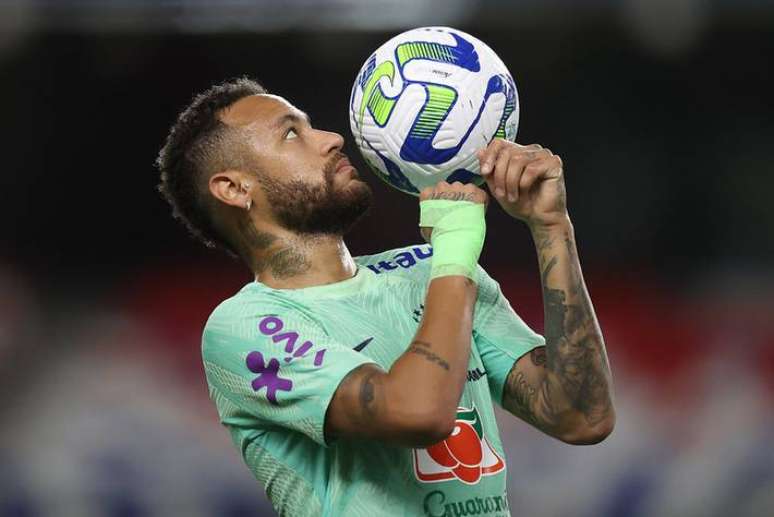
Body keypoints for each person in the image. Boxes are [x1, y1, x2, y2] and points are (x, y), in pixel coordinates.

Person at [157, 77, 615, 517]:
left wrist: (552, 227)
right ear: (234, 189)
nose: (332, 138)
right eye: (292, 133)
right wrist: (453, 254)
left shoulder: (424, 271)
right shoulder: (246, 325)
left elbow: (582, 416)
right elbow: (417, 413)